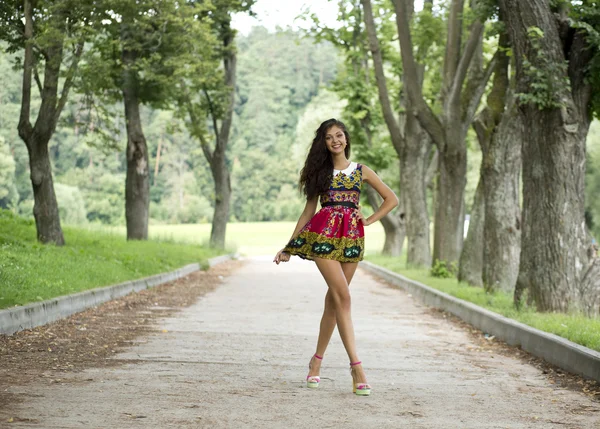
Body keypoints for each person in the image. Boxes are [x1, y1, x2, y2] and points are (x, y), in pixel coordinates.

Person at [273, 118, 399, 396]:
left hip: (352, 239)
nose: (335, 140)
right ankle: (357, 367)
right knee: (343, 297)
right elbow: (307, 212)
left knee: (334, 301)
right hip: (323, 238)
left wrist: (368, 220)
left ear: (346, 139)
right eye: (329, 137)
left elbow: (391, 199)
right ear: (324, 143)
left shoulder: (362, 170)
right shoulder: (321, 173)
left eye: (339, 135)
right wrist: (289, 246)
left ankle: (316, 362)